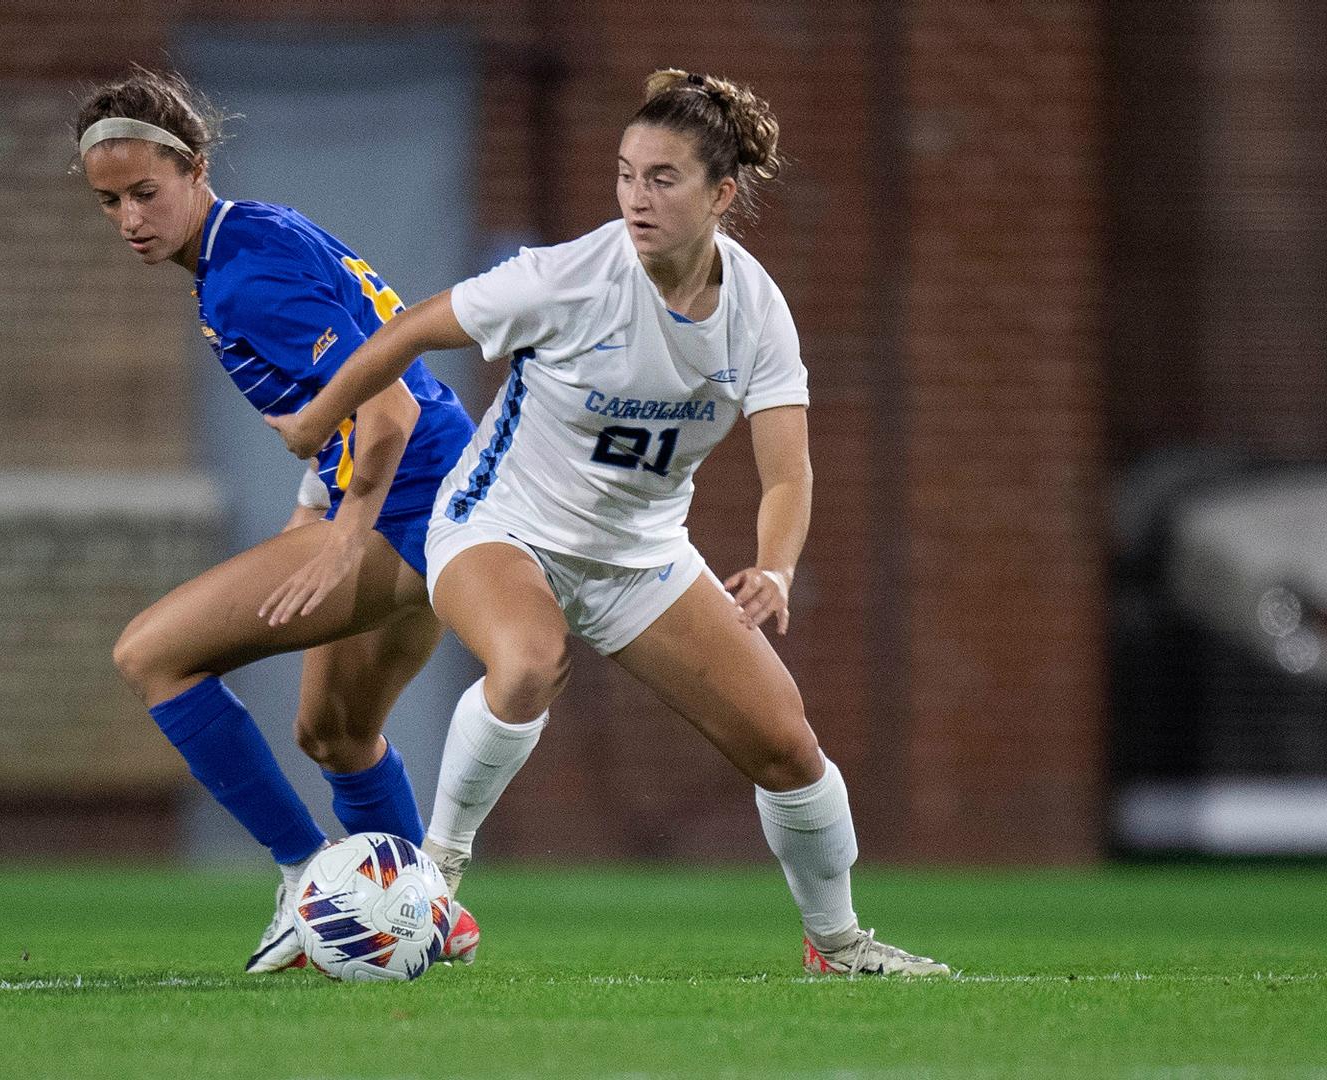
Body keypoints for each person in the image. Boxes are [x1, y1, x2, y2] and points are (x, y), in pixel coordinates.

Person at [267, 70, 950, 976]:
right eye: (627, 174)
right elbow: (409, 330)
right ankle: (435, 878)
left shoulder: (757, 311)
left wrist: (775, 569)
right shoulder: (568, 277)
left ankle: (838, 944)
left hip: (641, 557)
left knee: (790, 749)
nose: (637, 197)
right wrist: (322, 421)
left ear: (722, 193)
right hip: (498, 525)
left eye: (663, 178)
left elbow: (789, 472)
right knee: (529, 661)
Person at [76, 68, 480, 972]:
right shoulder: (254, 232)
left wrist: (344, 536)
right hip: (436, 494)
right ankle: (431, 916)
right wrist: (318, 504)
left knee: (150, 654)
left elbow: (389, 412)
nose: (131, 218)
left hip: (407, 504)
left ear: (195, 167)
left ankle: (307, 881)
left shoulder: (244, 279)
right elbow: (361, 380)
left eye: (146, 192)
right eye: (110, 202)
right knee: (333, 732)